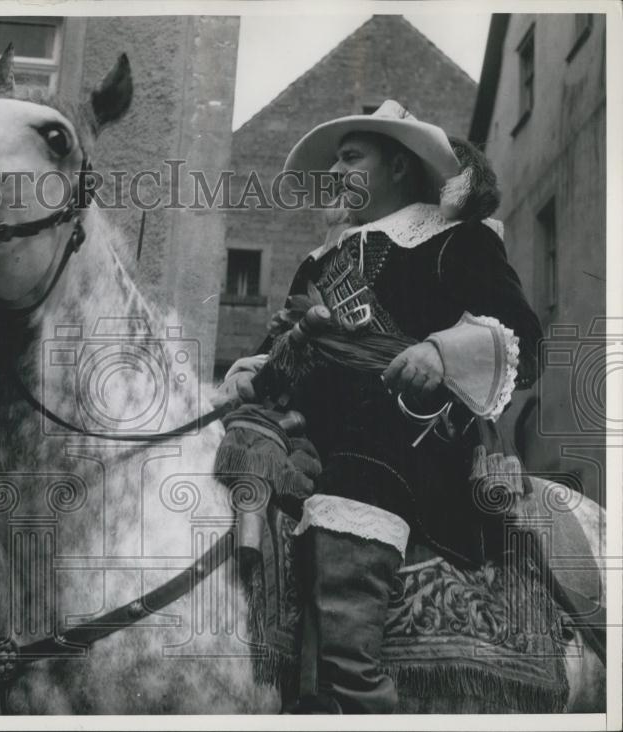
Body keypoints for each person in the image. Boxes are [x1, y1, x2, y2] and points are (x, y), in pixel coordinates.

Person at [219, 100, 542, 714]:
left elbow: (524, 335)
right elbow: (277, 358)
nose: (337, 172)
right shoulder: (319, 262)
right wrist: (249, 378)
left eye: (351, 157)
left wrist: (442, 352)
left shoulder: (457, 243)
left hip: (415, 452)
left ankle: (352, 693)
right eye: (335, 160)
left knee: (356, 472)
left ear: (396, 164)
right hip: (313, 444)